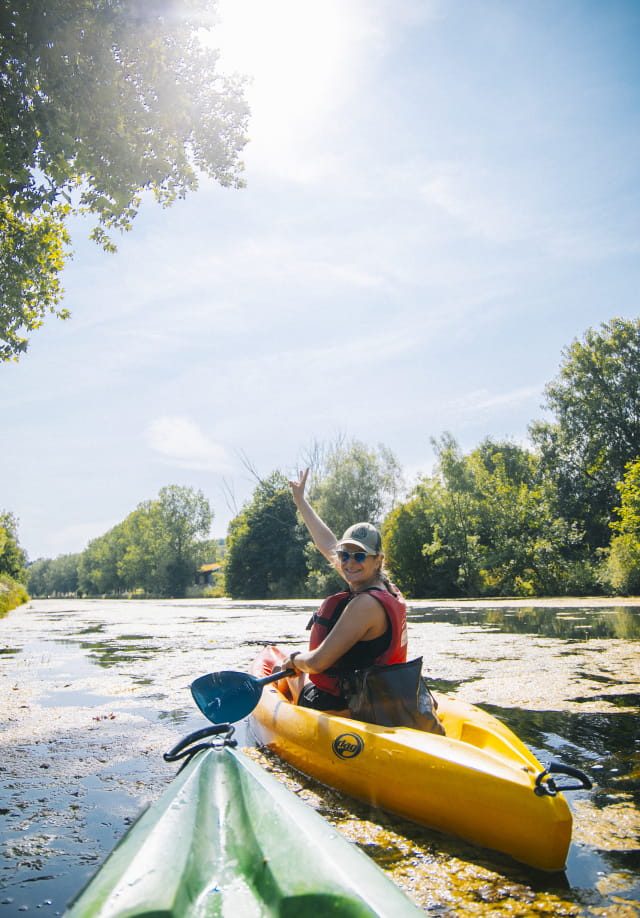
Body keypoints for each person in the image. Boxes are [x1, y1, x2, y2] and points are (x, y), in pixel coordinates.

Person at [280, 468, 408, 711]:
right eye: (344, 555)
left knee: (289, 672)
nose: (349, 563)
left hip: (349, 703)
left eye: (359, 555)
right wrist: (300, 501)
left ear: (378, 560)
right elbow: (326, 543)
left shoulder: (365, 604)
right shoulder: (385, 588)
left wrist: (293, 660)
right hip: (381, 696)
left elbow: (317, 663)